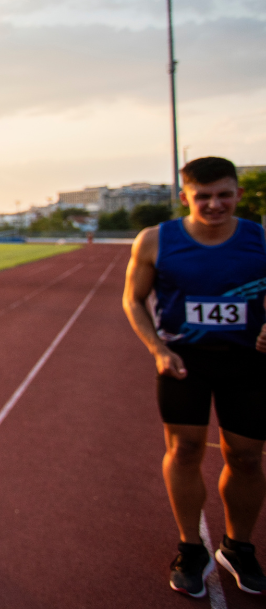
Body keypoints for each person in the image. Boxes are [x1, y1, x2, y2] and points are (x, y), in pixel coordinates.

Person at [122, 156, 266, 598]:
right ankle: (190, 547)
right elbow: (133, 301)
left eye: (224, 194)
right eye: (202, 196)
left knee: (245, 457)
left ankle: (237, 547)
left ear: (238, 194)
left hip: (247, 362)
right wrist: (158, 349)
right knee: (183, 450)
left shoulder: (260, 240)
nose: (214, 204)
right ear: (184, 196)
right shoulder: (154, 241)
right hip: (184, 362)